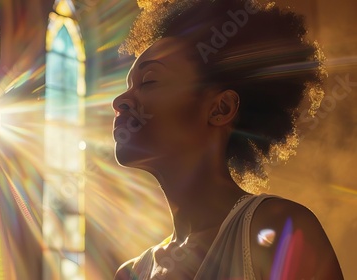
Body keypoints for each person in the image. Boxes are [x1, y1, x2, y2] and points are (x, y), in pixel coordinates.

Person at [111, 0, 344, 279]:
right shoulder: (131, 273)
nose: (120, 101)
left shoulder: (280, 229)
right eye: (128, 86)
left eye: (149, 81)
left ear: (220, 109)